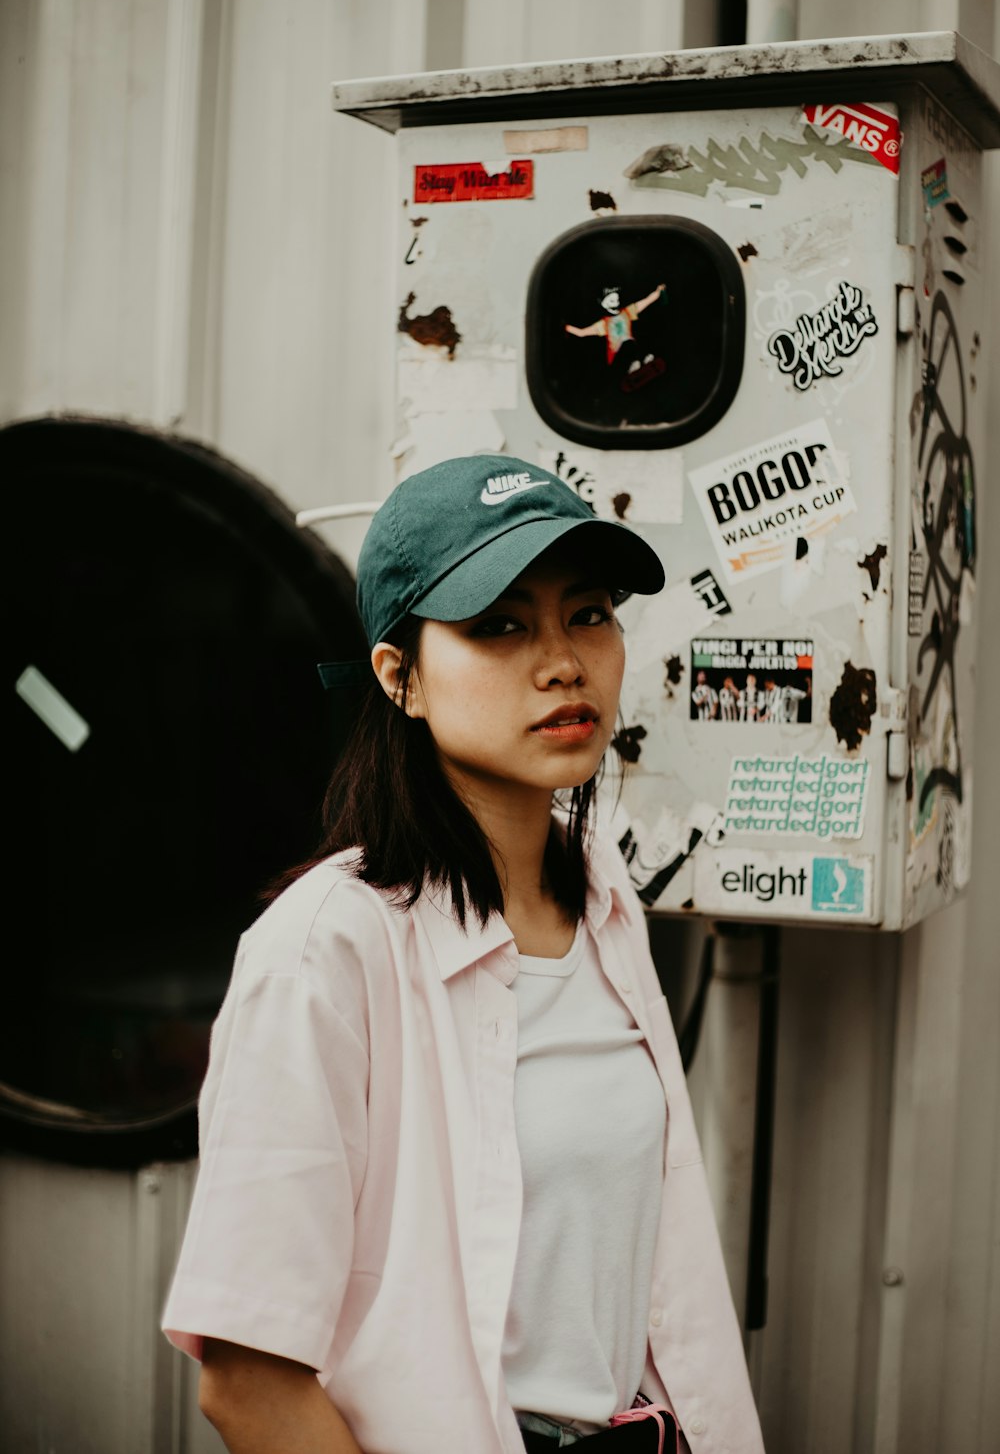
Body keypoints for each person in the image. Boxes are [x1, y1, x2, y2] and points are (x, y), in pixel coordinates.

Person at [161, 453, 764, 1454]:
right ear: (399, 677)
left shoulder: (604, 901)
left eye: (587, 613)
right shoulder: (326, 951)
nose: (562, 660)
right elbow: (247, 1379)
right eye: (499, 625)